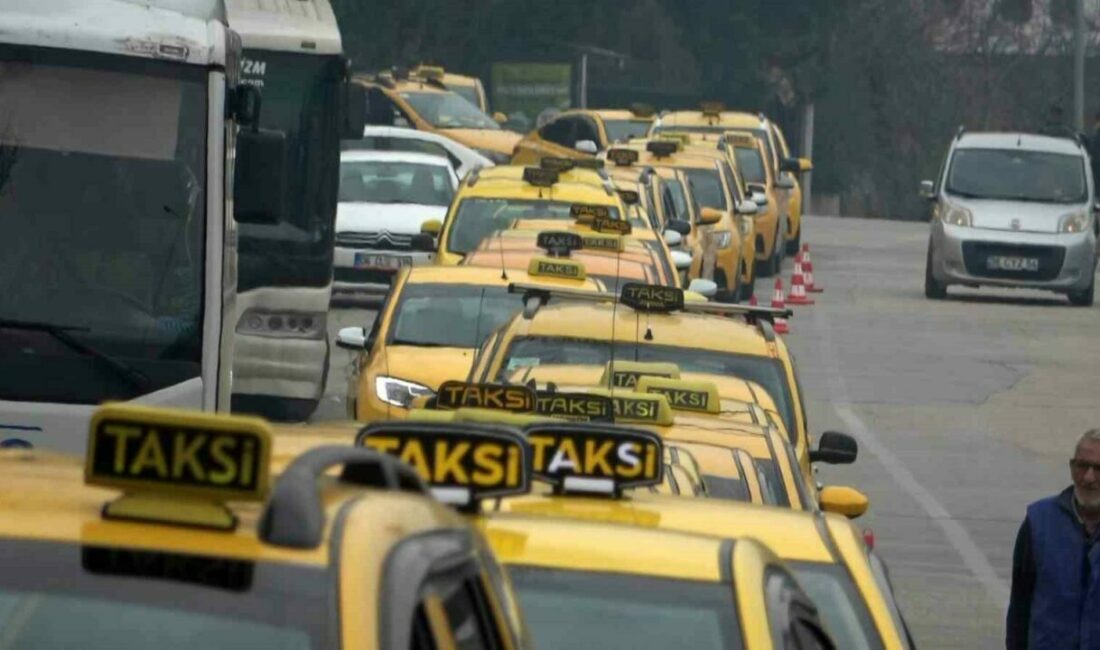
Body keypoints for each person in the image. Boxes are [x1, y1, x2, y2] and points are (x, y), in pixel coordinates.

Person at [1007, 429, 1100, 649]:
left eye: (1098, 468)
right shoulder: (1039, 523)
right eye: (1082, 466)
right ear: (1071, 467)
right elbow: (1020, 605)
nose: (1089, 477)